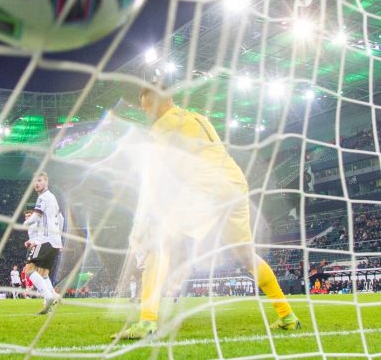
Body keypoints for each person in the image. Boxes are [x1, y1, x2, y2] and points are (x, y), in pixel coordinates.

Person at [114, 87, 300, 339]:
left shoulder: (163, 125)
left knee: (159, 246)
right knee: (247, 255)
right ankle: (287, 315)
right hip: (235, 183)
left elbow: (156, 175)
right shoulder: (198, 117)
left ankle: (147, 321)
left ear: (158, 103)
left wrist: (147, 216)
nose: (147, 113)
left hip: (206, 185)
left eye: (147, 107)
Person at [23, 172, 63, 314]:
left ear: (46, 182)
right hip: (54, 241)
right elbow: (61, 218)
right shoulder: (52, 198)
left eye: (40, 180)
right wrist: (59, 239)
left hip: (45, 239)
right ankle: (49, 302)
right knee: (44, 273)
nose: (37, 183)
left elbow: (35, 216)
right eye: (35, 181)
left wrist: (24, 223)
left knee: (29, 270)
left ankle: (48, 296)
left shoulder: (43, 197)